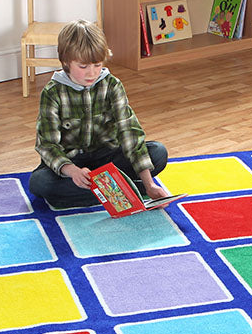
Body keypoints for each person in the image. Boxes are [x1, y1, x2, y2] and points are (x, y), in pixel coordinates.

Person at [28, 20, 170, 209]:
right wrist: (72, 171)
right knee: (40, 183)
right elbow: (47, 145)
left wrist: (149, 183)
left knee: (158, 152)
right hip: (72, 162)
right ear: (66, 62)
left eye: (97, 64)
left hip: (108, 158)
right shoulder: (52, 92)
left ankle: (110, 190)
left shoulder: (112, 85)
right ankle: (125, 190)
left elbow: (130, 133)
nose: (92, 73)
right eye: (83, 66)